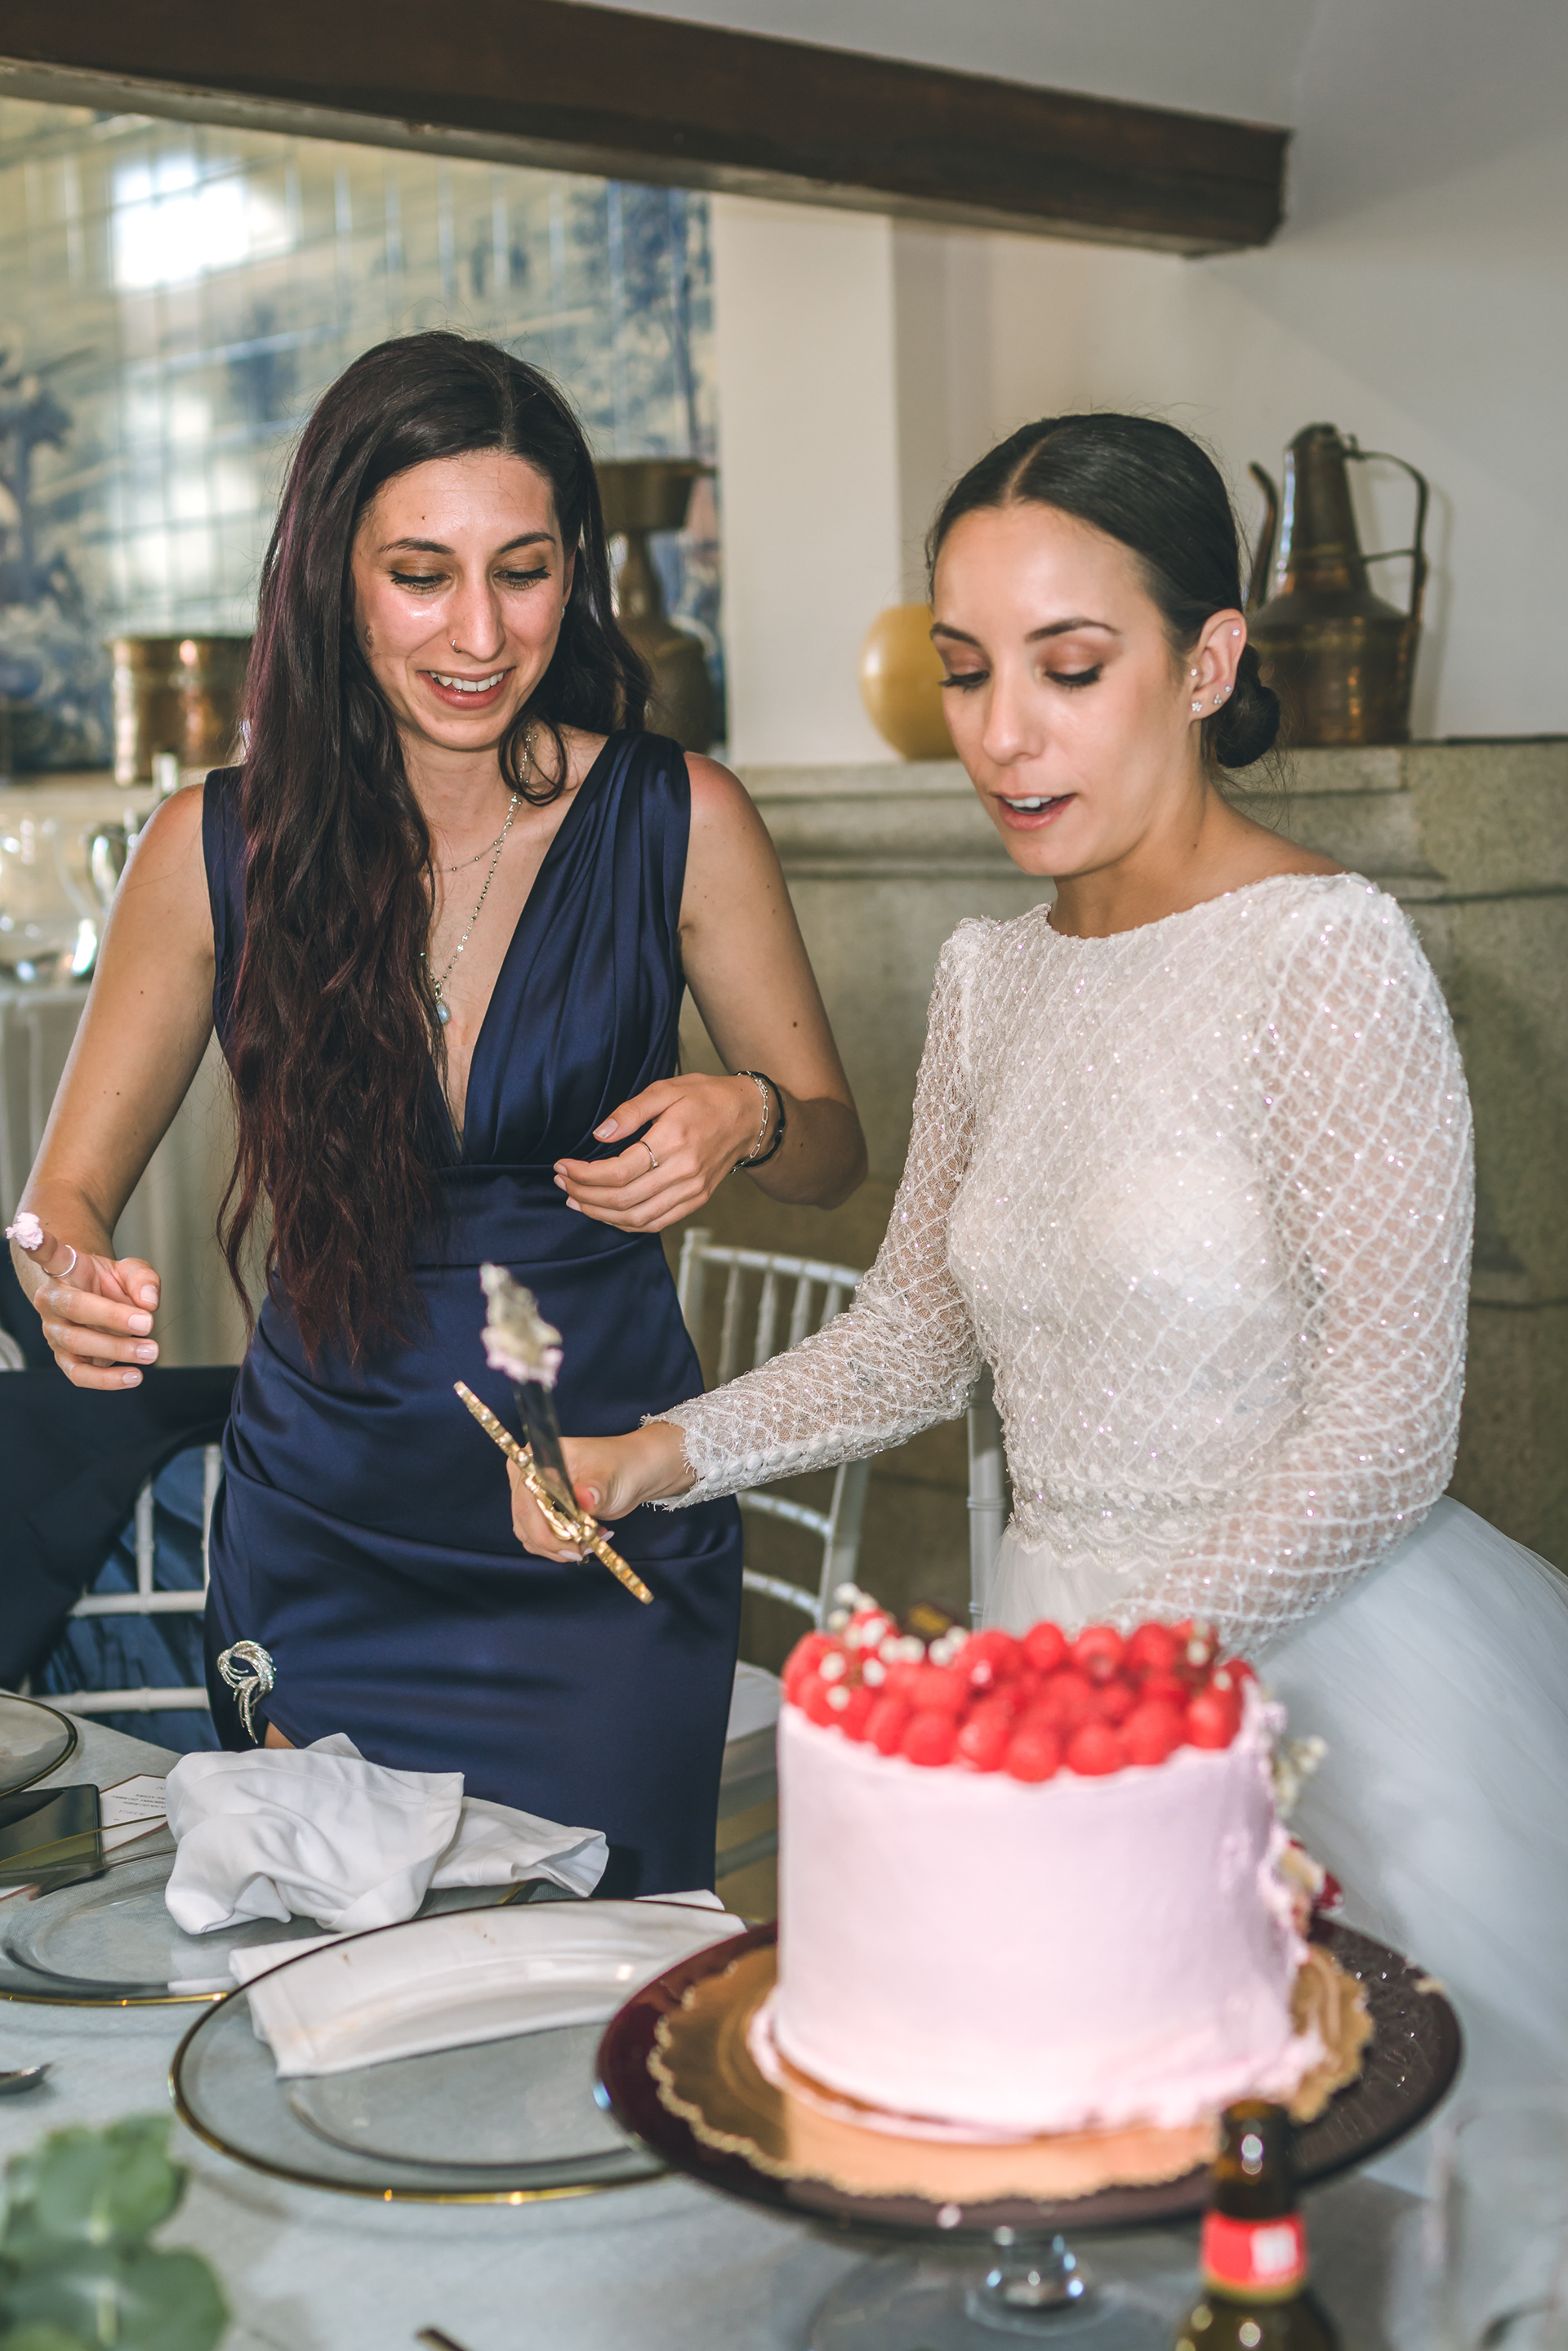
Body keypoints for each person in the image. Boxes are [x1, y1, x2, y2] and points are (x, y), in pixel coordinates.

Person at [515, 412, 1568, 2094]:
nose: (1003, 735)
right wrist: (651, 1456)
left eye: (1070, 668)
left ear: (1208, 662)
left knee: (1337, 2170)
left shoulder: (1325, 957)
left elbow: (1387, 1433)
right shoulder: (988, 977)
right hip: (1051, 1656)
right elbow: (914, 1337)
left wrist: (1112, 1680)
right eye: (966, 670)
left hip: (1318, 1684)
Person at [11, 332, 866, 1896]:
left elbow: (830, 1150)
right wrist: (65, 1273)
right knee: (322, 1986)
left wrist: (747, 1114)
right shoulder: (212, 849)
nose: (480, 633)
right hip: (322, 1545)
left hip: (602, 1519)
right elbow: (57, 1199)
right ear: (334, 579)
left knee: (603, 1993)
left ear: (572, 576)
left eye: (522, 573)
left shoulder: (681, 819)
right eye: (421, 575)